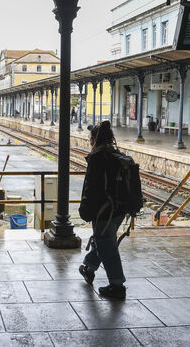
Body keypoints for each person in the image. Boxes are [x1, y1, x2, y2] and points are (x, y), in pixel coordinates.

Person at [78, 120, 127, 300]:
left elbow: (91, 188)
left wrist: (85, 210)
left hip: (104, 210)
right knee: (103, 239)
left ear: (94, 139)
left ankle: (117, 285)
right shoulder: (117, 154)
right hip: (120, 208)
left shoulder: (97, 157)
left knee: (106, 244)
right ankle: (89, 267)